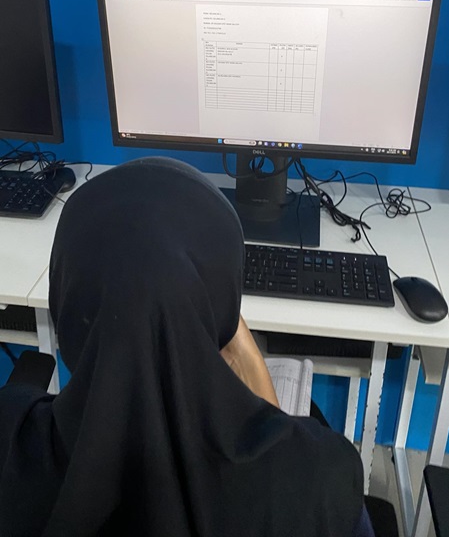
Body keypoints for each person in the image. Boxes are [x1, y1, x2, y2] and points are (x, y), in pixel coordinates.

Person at [0, 157, 373, 537]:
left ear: (65, 301)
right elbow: (279, 463)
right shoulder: (318, 480)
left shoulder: (9, 439)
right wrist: (238, 345)